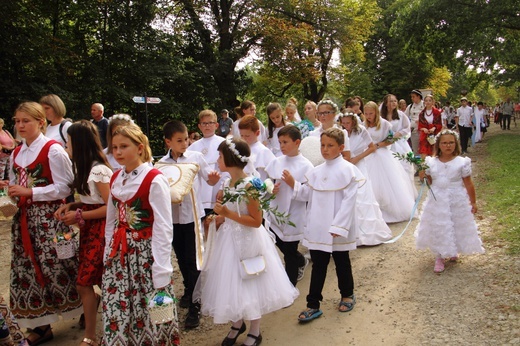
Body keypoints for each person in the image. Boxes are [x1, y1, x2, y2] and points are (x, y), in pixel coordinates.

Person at [194, 138, 298, 346]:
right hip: (228, 241)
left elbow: (256, 221)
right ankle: (236, 323)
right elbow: (228, 210)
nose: (217, 159)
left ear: (231, 159)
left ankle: (255, 330)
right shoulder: (226, 182)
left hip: (248, 241)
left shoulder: (249, 186)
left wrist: (227, 213)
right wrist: (217, 218)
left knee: (250, 282)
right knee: (230, 282)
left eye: (221, 156)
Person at [7, 102, 81, 345]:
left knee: (60, 265)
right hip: (24, 220)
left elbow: (65, 186)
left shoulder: (53, 150)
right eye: (17, 121)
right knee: (26, 269)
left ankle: (84, 304)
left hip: (51, 219)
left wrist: (31, 192)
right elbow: (14, 182)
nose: (20, 125)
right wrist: (11, 192)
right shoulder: (17, 153)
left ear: (40, 122)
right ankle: (40, 325)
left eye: (25, 121)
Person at [103, 124, 180, 345]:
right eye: (115, 147)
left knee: (150, 308)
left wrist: (162, 267)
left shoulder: (154, 179)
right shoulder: (116, 177)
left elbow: (163, 227)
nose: (117, 152)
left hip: (145, 256)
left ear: (139, 148)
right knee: (119, 305)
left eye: (124, 146)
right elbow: (112, 221)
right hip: (119, 255)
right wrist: (108, 252)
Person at [283, 128, 360, 322]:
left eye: (330, 146)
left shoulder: (348, 171)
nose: (325, 149)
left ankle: (347, 294)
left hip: (337, 228)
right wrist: (294, 184)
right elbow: (306, 195)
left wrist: (339, 226)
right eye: (322, 145)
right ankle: (313, 304)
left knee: (342, 261)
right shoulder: (315, 172)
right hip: (319, 226)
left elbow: (349, 202)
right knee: (319, 264)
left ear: (341, 147)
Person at [54, 120, 112, 346]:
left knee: (85, 282)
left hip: (102, 230)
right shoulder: (82, 165)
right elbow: (91, 200)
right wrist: (72, 205)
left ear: (78, 142)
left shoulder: (99, 169)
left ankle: (91, 336)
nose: (65, 144)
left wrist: (80, 216)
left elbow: (111, 207)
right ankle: (93, 330)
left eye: (67, 140)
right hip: (90, 229)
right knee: (87, 282)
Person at [158, 120, 220, 329]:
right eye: (179, 140)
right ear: (168, 142)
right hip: (172, 219)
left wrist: (212, 179)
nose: (185, 143)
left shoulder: (196, 157)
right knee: (181, 259)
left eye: (186, 139)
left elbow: (209, 181)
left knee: (194, 260)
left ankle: (196, 305)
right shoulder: (161, 164)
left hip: (192, 216)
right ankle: (188, 289)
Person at [415, 129, 484, 273]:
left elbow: (468, 183)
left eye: (451, 143)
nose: (448, 146)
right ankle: (439, 255)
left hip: (456, 197)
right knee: (440, 225)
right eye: (445, 143)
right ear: (438, 145)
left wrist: (473, 202)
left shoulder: (461, 162)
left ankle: (452, 249)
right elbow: (428, 181)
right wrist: (423, 174)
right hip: (437, 199)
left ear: (456, 144)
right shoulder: (431, 162)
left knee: (455, 224)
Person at [265, 125, 313, 285]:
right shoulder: (276, 161)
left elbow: (309, 194)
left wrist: (294, 184)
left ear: (297, 142)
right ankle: (301, 260)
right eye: (280, 142)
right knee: (278, 241)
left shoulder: (306, 166)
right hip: (275, 211)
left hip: (294, 213)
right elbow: (268, 183)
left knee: (289, 251)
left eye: (285, 142)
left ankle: (290, 285)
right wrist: (272, 189)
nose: (282, 146)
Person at [340, 113, 392, 245]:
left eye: (348, 123)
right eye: (343, 123)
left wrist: (357, 158)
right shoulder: (341, 133)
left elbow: (372, 147)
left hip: (359, 163)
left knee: (362, 194)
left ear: (353, 122)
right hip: (346, 165)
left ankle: (367, 232)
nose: (345, 126)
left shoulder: (361, 131)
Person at [363, 101, 416, 223]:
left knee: (387, 182)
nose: (368, 116)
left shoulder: (385, 124)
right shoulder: (363, 125)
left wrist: (378, 145)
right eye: (366, 113)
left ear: (376, 112)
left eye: (370, 113)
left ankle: (391, 210)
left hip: (382, 154)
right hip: (368, 155)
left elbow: (391, 140)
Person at [188, 110, 226, 216]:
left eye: (210, 123)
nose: (207, 126)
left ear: (216, 125)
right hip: (200, 189)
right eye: (204, 123)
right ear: (199, 126)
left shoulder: (224, 143)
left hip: (218, 187)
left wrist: (223, 188)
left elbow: (228, 170)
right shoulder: (193, 147)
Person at [380, 94, 414, 179]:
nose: (393, 103)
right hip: (385, 142)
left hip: (398, 142)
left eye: (395, 101)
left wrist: (399, 133)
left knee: (402, 165)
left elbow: (407, 127)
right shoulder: (381, 116)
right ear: (386, 103)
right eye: (391, 101)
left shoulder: (401, 115)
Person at [238, 115, 276, 181]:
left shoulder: (263, 151)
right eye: (241, 135)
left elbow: (274, 173)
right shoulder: (239, 150)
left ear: (257, 133)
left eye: (247, 136)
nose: (244, 139)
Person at [417, 94, 443, 159]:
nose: (428, 102)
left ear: (433, 102)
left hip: (434, 135)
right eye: (426, 101)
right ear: (424, 102)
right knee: (423, 152)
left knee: (434, 151)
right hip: (424, 135)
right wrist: (423, 129)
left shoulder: (437, 112)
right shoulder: (422, 114)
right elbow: (420, 125)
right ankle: (424, 167)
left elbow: (439, 124)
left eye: (429, 100)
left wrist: (434, 127)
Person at [405, 89, 424, 154]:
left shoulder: (425, 105)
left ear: (418, 96)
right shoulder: (410, 106)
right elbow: (404, 117)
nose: (412, 98)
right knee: (416, 150)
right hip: (414, 132)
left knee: (424, 150)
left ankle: (426, 163)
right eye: (411, 97)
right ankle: (417, 164)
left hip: (424, 132)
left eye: (413, 96)